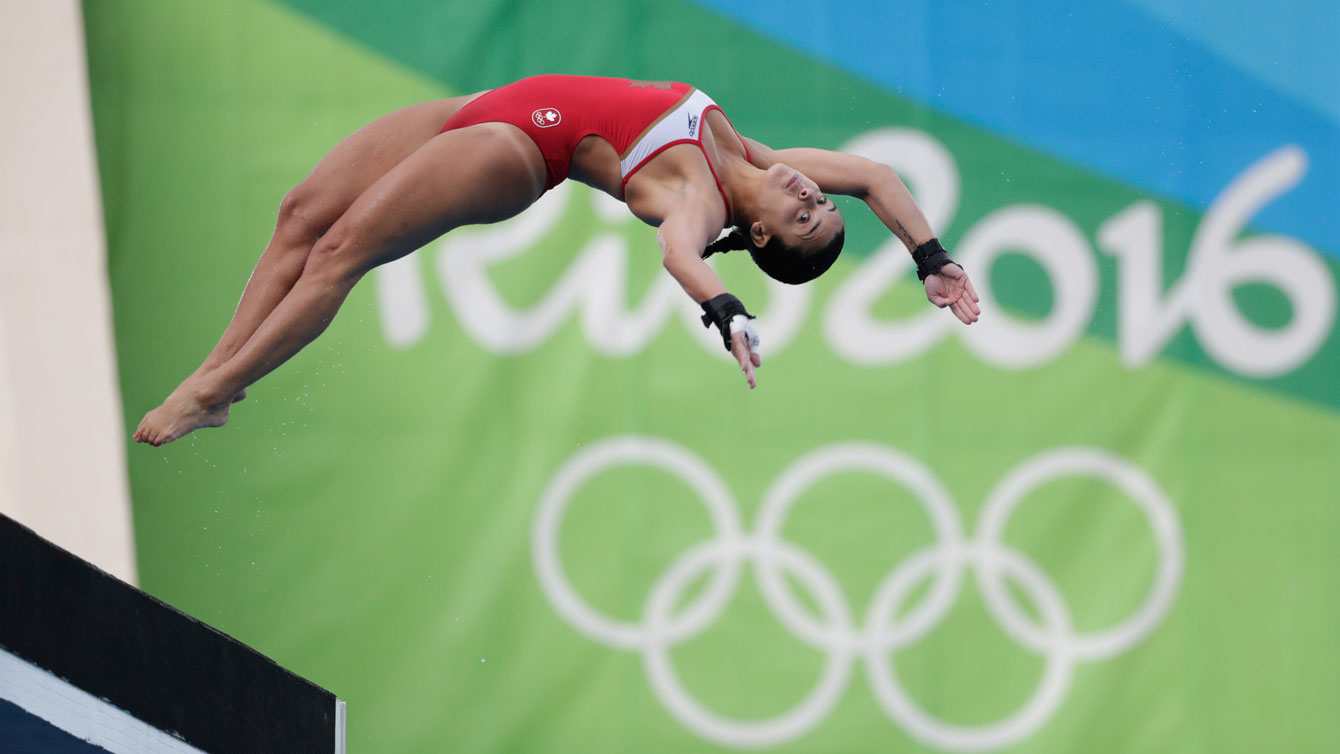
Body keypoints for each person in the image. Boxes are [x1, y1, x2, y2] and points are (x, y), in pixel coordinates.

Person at [133, 75, 979, 447]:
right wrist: (931, 257)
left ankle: (208, 392)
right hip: (486, 104)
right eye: (819, 202)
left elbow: (678, 255)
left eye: (804, 217)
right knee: (300, 215)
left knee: (342, 250)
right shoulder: (751, 153)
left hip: (511, 148)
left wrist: (725, 309)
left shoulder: (706, 204)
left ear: (762, 239)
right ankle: (222, 378)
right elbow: (874, 176)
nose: (811, 194)